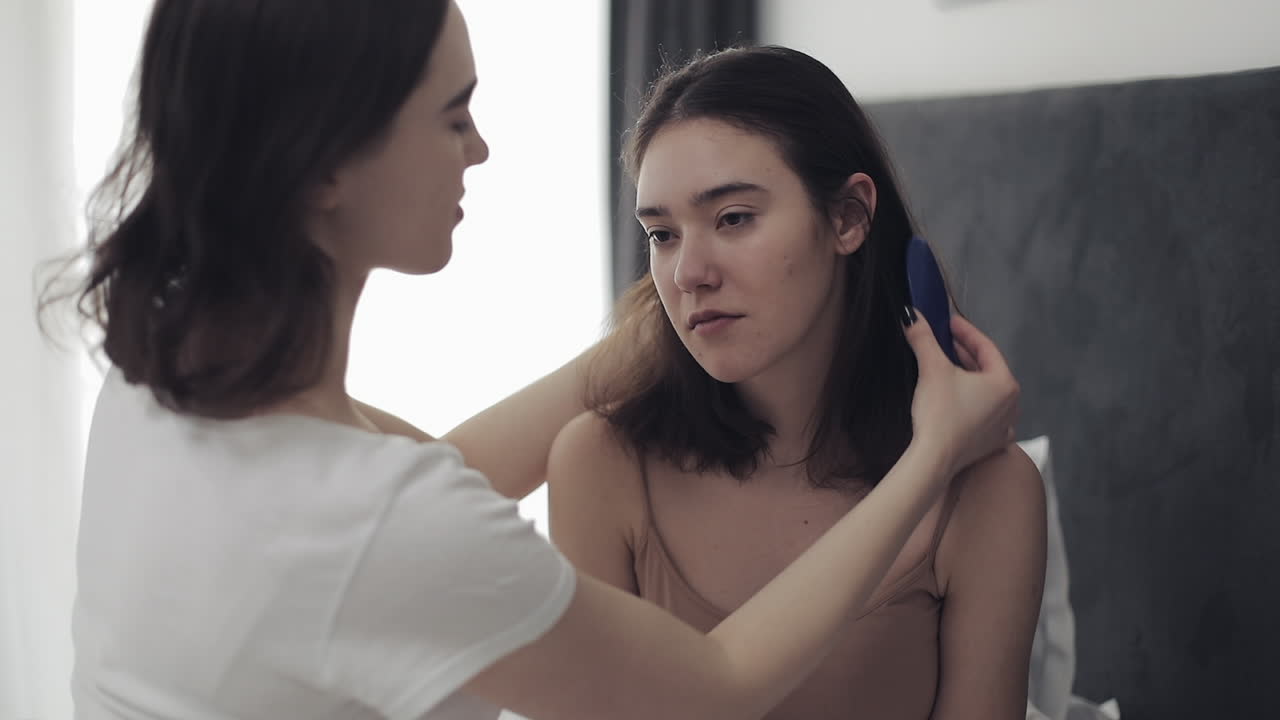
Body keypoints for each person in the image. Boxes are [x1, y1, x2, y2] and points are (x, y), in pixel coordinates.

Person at [44, 3, 1020, 718]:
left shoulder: (158, 390)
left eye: (730, 218)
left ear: (848, 217)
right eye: (452, 114)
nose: (479, 148)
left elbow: (424, 487)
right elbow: (715, 688)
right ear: (328, 161)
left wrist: (672, 315)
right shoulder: (400, 512)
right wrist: (931, 453)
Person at [548, 46, 1047, 720]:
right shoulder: (600, 464)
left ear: (848, 217)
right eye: (662, 234)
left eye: (733, 218)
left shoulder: (989, 492)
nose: (688, 273)